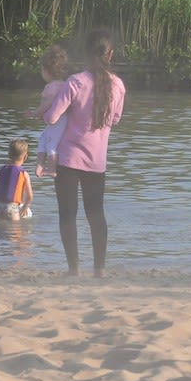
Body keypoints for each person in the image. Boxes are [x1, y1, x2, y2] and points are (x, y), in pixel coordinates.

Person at [44, 30, 125, 278]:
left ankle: (73, 269)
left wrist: (44, 109)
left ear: (86, 53)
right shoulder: (118, 86)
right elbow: (116, 119)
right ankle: (99, 269)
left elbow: (52, 117)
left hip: (68, 159)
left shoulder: (76, 82)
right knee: (96, 214)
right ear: (110, 54)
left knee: (67, 214)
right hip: (96, 160)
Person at [33, 45, 69, 178]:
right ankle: (40, 165)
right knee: (43, 139)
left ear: (46, 71)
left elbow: (46, 105)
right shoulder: (65, 84)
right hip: (63, 120)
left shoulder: (50, 87)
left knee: (51, 144)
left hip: (57, 121)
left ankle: (51, 169)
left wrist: (35, 113)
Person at [0, 138, 33, 221]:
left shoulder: (2, 170)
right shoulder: (24, 173)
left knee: (1, 231)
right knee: (15, 231)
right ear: (26, 157)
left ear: (9, 154)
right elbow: (30, 196)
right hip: (12, 208)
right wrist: (25, 207)